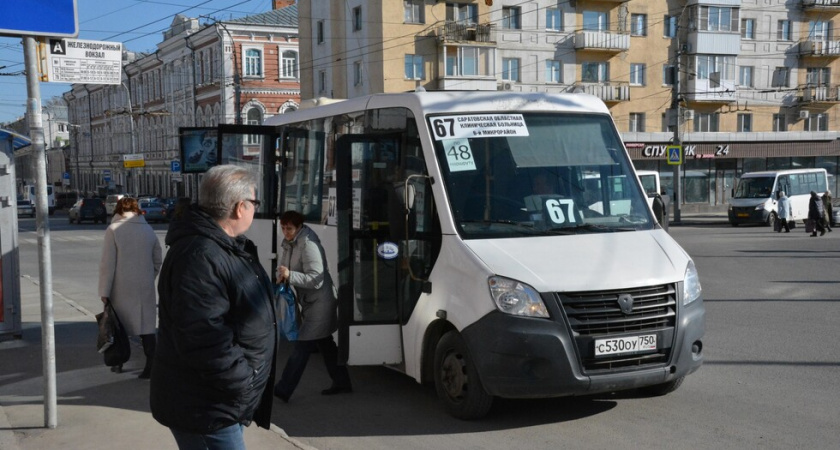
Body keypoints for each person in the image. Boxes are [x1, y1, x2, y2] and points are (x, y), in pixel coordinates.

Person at [150, 165, 276, 449]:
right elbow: (204, 338)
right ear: (239, 207)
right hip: (206, 408)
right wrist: (243, 384)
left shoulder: (221, 247)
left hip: (214, 403)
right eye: (254, 203)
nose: (255, 209)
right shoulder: (201, 255)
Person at [273, 210, 352, 403]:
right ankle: (342, 381)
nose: (285, 232)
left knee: (302, 346)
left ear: (299, 227)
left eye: (289, 228)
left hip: (321, 303)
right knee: (326, 344)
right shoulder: (291, 242)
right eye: (283, 228)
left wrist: (290, 275)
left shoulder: (308, 244)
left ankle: (283, 389)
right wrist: (282, 274)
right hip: (310, 302)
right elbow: (285, 266)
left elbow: (316, 279)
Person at [98, 197, 162, 378]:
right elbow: (157, 259)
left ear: (118, 211)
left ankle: (118, 361)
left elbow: (108, 264)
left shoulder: (114, 230)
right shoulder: (148, 229)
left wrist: (104, 291)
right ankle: (151, 364)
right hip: (144, 286)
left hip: (120, 287)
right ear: (137, 211)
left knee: (119, 326)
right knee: (146, 326)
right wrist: (150, 276)